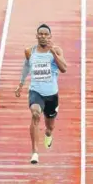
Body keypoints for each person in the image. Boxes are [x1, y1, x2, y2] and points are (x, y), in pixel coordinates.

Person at [14, 24, 67, 164]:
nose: (43, 36)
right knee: (35, 114)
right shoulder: (29, 51)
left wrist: (53, 54)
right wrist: (20, 84)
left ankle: (48, 134)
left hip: (52, 95)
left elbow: (64, 69)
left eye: (46, 34)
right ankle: (35, 152)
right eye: (40, 34)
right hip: (35, 91)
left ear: (50, 37)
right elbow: (26, 67)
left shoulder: (56, 50)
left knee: (50, 126)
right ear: (36, 36)